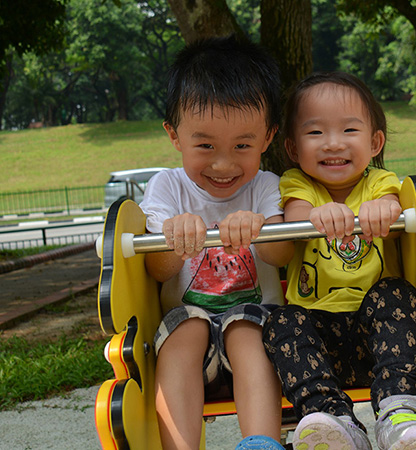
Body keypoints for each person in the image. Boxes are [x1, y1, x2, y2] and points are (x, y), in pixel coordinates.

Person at [262, 72, 416, 450]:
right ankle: (333, 421)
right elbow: (296, 217)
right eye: (315, 132)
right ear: (293, 148)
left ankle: (400, 411)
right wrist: (316, 214)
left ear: (374, 142)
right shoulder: (297, 184)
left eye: (349, 130)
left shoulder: (380, 182)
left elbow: (393, 213)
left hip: (380, 341)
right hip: (318, 344)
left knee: (396, 293)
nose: (333, 143)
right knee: (281, 321)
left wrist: (385, 209)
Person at [140, 36, 293, 450]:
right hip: (190, 341)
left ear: (268, 137)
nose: (223, 164)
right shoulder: (166, 188)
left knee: (245, 328)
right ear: (174, 135)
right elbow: (158, 270)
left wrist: (261, 228)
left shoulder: (266, 186)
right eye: (205, 145)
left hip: (258, 333)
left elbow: (282, 254)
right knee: (185, 328)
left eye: (242, 146)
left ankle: (261, 444)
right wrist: (174, 237)